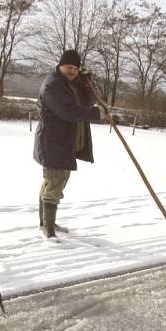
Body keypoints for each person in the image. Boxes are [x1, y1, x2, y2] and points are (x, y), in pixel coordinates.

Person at [33, 49, 104, 237]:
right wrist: (96, 114)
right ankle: (48, 230)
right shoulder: (52, 85)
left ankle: (47, 223)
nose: (72, 71)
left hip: (66, 143)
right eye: (68, 67)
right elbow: (67, 111)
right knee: (54, 183)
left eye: (75, 68)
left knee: (54, 182)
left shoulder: (74, 83)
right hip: (53, 142)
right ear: (60, 65)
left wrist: (88, 85)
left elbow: (87, 102)